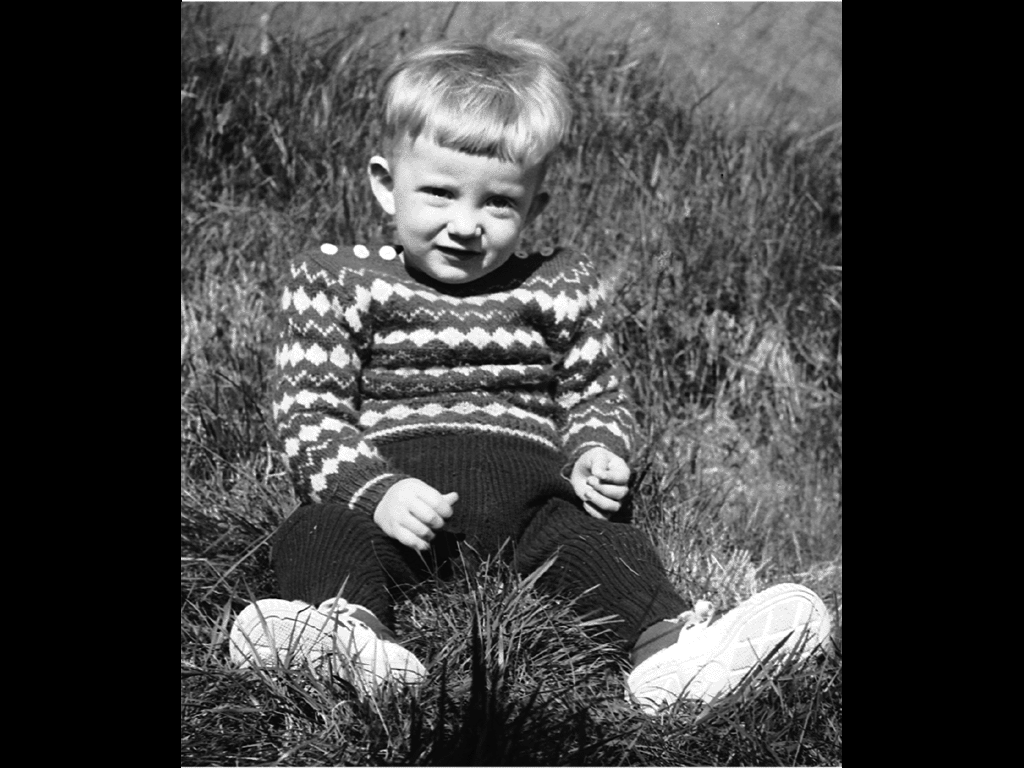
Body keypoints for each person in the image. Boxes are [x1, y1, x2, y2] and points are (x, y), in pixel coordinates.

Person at [229, 35, 833, 714]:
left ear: (534, 207)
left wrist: (597, 452)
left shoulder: (557, 283)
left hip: (534, 508)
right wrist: (374, 492)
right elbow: (310, 412)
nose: (466, 225)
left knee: (606, 545)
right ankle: (348, 638)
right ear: (384, 184)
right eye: (439, 193)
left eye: (499, 203)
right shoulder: (338, 279)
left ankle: (674, 656)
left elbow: (593, 395)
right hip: (402, 508)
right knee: (319, 530)